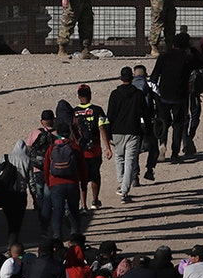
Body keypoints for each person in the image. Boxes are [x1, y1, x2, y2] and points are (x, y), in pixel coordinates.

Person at [151, 32, 196, 163]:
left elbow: (154, 77)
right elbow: (201, 62)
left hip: (164, 95)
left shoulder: (164, 57)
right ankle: (175, 153)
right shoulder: (187, 58)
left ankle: (162, 144)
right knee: (178, 125)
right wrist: (192, 48)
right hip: (180, 96)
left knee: (163, 121)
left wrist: (156, 94)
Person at [107, 66, 148, 204]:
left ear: (120, 78)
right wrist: (148, 130)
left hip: (117, 131)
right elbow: (145, 114)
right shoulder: (138, 94)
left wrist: (108, 134)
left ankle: (121, 183)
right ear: (132, 78)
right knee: (130, 160)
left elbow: (110, 115)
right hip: (133, 130)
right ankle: (124, 190)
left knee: (119, 158)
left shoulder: (114, 94)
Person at [72, 84, 112, 211]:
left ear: (78, 96)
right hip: (95, 150)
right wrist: (108, 147)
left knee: (81, 178)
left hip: (79, 151)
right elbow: (102, 128)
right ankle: (95, 200)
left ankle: (83, 205)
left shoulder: (74, 112)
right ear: (90, 95)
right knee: (95, 176)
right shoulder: (97, 110)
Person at [44, 126, 87, 242]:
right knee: (73, 210)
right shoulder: (75, 147)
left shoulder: (52, 148)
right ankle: (75, 236)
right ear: (69, 133)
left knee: (58, 211)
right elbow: (82, 168)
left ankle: (57, 237)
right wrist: (83, 184)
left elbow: (46, 167)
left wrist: (49, 184)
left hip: (56, 184)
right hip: (72, 183)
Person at [0, 141, 30, 247]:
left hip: (5, 194)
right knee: (16, 222)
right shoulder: (27, 160)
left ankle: (11, 242)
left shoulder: (5, 157)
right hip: (20, 195)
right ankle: (12, 244)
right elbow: (31, 181)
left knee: (10, 218)